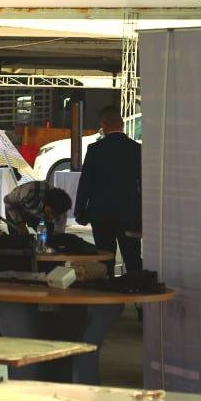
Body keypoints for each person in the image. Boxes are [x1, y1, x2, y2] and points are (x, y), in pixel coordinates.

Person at [74, 107, 143, 276]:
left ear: (104, 125)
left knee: (105, 260)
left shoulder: (95, 149)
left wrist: (80, 211)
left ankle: (108, 289)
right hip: (129, 214)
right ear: (122, 124)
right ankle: (136, 289)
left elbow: (86, 183)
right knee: (133, 258)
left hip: (101, 214)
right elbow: (143, 184)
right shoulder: (136, 149)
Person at [3, 181, 73, 240]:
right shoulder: (30, 191)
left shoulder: (61, 215)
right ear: (46, 202)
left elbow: (58, 235)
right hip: (16, 207)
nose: (51, 217)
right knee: (17, 238)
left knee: (48, 238)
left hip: (37, 214)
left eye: (55, 215)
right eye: (51, 212)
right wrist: (20, 224)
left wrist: (54, 242)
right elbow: (7, 200)